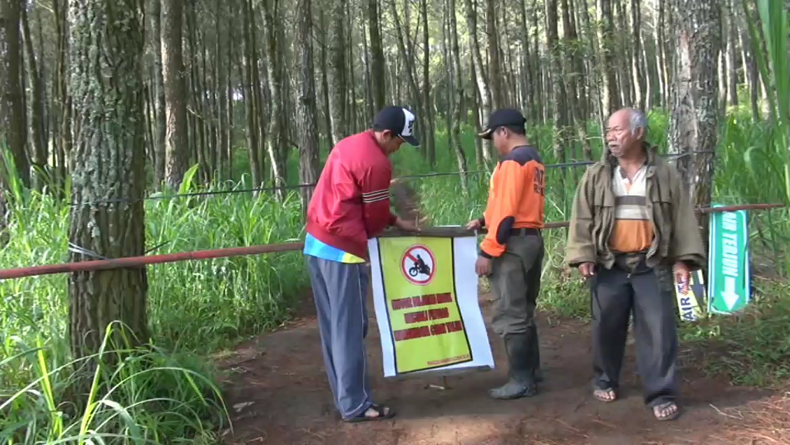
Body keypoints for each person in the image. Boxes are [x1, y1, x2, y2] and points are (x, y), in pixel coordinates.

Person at [565, 108, 706, 421]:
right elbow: (582, 217)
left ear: (639, 133)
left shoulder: (665, 173)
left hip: (651, 262)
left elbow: (681, 218)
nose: (611, 137)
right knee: (606, 326)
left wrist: (682, 261)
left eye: (618, 130)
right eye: (609, 131)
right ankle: (605, 379)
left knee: (658, 331)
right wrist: (584, 254)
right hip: (610, 263)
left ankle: (661, 393)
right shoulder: (597, 174)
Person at [303, 106, 420, 422]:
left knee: (333, 327)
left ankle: (345, 395)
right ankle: (355, 404)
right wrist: (392, 225)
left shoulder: (349, 143)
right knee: (350, 328)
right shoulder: (376, 163)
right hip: (342, 250)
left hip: (316, 242)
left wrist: (395, 220)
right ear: (387, 135)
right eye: (400, 142)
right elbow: (375, 215)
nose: (399, 148)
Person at [466, 108, 546, 399]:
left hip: (512, 245)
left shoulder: (513, 162)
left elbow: (508, 212)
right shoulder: (534, 159)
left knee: (510, 313)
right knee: (524, 308)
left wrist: (488, 251)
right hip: (532, 239)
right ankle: (532, 372)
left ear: (504, 132)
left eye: (492, 137)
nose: (493, 143)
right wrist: (484, 220)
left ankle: (521, 380)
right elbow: (513, 205)